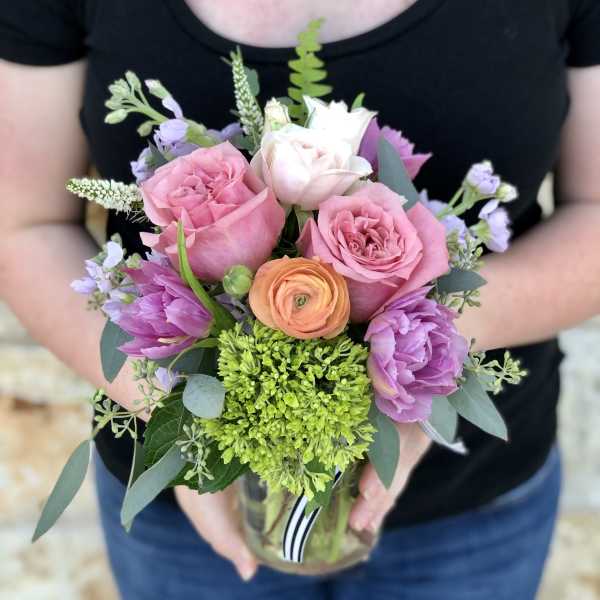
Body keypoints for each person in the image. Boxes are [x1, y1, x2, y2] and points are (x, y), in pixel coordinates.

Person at [1, 1, 599, 598]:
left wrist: (415, 363)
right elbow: (22, 226)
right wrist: (180, 420)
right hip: (190, 516)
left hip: (472, 511)